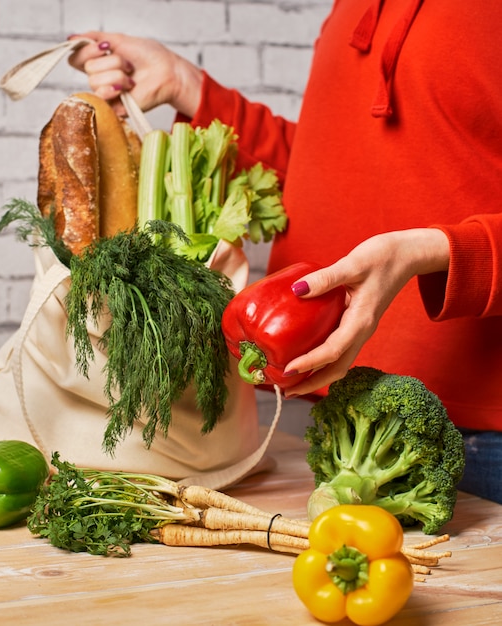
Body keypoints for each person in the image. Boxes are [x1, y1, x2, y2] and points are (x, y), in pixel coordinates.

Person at [66, 0, 502, 503]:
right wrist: (189, 86)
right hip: (337, 417)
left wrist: (432, 250)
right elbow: (333, 173)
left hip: (480, 439)